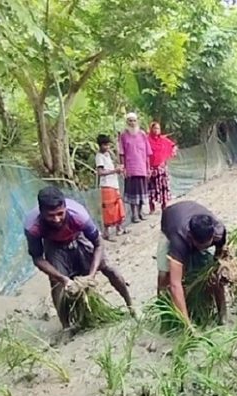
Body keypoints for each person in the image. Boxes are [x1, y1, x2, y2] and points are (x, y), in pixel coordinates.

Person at [24, 186, 133, 329]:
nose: (56, 219)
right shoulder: (33, 226)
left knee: (109, 268)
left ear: (65, 207)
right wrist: (63, 279)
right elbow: (37, 258)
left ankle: (131, 306)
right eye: (50, 215)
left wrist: (91, 276)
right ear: (41, 212)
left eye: (60, 213)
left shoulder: (78, 215)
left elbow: (99, 244)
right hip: (54, 246)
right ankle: (66, 327)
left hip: (78, 237)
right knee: (56, 284)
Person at [157, 201, 228, 325]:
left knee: (214, 274)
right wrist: (188, 326)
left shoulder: (219, 232)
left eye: (206, 245)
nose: (202, 249)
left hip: (189, 213)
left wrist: (218, 267)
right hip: (170, 223)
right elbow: (175, 285)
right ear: (190, 237)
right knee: (164, 277)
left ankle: (223, 314)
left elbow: (219, 256)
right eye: (199, 246)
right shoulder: (178, 240)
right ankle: (165, 316)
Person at [118, 112, 152, 223]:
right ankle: (134, 215)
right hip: (131, 168)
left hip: (142, 167)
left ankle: (141, 212)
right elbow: (121, 153)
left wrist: (148, 168)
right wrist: (124, 168)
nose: (132, 123)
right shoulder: (123, 135)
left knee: (142, 191)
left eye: (134, 120)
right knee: (132, 193)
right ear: (127, 122)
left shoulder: (142, 134)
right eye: (130, 121)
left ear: (137, 121)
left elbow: (147, 153)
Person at [95, 134, 126, 240]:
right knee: (108, 208)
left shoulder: (108, 155)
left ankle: (119, 228)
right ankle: (106, 232)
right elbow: (100, 172)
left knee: (118, 205)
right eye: (105, 145)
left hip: (114, 183)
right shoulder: (99, 156)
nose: (107, 147)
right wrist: (114, 171)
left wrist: (118, 169)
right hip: (106, 185)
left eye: (108, 145)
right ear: (100, 145)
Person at [147, 121, 177, 214]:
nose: (156, 130)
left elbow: (173, 145)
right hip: (151, 168)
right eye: (154, 128)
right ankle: (152, 207)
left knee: (164, 186)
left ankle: (164, 205)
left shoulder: (163, 140)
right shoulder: (147, 140)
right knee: (151, 188)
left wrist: (173, 151)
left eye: (158, 128)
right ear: (151, 129)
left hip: (162, 167)